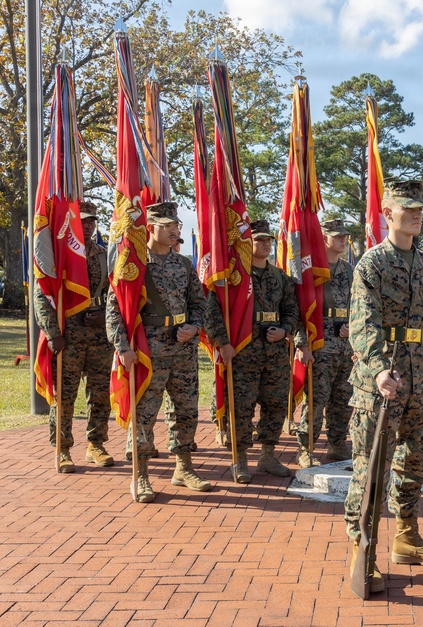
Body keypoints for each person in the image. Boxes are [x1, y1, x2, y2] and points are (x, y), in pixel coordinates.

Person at [345, 180, 423, 593]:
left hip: (418, 372)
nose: (416, 215)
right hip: (383, 377)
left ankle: (406, 536)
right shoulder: (371, 263)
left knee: (416, 460)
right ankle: (361, 547)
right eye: (406, 209)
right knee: (370, 465)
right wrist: (377, 369)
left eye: (420, 209)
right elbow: (363, 322)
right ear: (387, 213)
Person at [106, 201, 209, 502]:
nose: (175, 229)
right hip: (147, 349)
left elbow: (199, 303)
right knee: (145, 414)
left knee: (186, 410)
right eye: (167, 225)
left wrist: (193, 327)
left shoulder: (184, 264)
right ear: (150, 227)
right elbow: (115, 310)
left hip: (183, 347)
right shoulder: (133, 264)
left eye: (176, 224)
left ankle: (184, 467)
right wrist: (123, 346)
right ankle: (140, 475)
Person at [205, 219, 302, 483]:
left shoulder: (280, 277)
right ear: (248, 243)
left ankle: (268, 455)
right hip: (243, 350)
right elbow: (213, 312)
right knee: (242, 405)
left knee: (276, 403)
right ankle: (240, 458)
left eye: (268, 240)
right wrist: (223, 342)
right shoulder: (235, 276)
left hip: (274, 350)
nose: (264, 244)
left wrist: (285, 330)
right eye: (258, 240)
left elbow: (293, 308)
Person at [34, 200, 115, 472]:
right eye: (83, 221)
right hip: (68, 334)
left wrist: (105, 316)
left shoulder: (104, 254)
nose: (89, 226)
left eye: (92, 221)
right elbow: (41, 296)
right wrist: (53, 333)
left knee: (100, 393)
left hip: (99, 333)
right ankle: (62, 447)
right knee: (65, 394)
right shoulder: (60, 255)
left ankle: (96, 444)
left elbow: (115, 295)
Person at [294, 219, 355, 467]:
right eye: (337, 236)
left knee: (343, 397)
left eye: (345, 236)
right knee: (316, 399)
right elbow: (300, 310)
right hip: (321, 342)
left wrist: (353, 327)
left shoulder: (350, 270)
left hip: (346, 343)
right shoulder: (312, 271)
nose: (342, 240)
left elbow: (358, 304)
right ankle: (306, 449)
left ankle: (337, 444)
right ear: (325, 238)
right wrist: (302, 345)